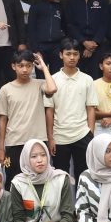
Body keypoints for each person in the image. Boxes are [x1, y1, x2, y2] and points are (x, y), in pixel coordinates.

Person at [0, 50, 57, 187]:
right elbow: (2, 120)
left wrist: (43, 66)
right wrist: (1, 148)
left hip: (37, 141)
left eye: (29, 66)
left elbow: (52, 88)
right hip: (14, 142)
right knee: (13, 182)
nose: (25, 69)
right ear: (13, 66)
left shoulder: (40, 84)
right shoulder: (5, 89)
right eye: (21, 66)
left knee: (39, 181)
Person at [45, 38, 97, 179]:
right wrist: (50, 137)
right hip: (59, 136)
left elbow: (91, 108)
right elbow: (49, 111)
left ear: (80, 55)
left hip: (82, 134)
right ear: (61, 55)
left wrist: (90, 134)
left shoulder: (87, 79)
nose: (72, 57)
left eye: (75, 54)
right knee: (60, 178)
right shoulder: (52, 80)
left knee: (84, 176)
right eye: (68, 54)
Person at [27, 0, 65, 74]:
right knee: (41, 73)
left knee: (57, 74)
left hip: (56, 46)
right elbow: (31, 29)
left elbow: (64, 26)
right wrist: (35, 49)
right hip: (40, 46)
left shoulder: (59, 7)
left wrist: (61, 40)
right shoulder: (36, 7)